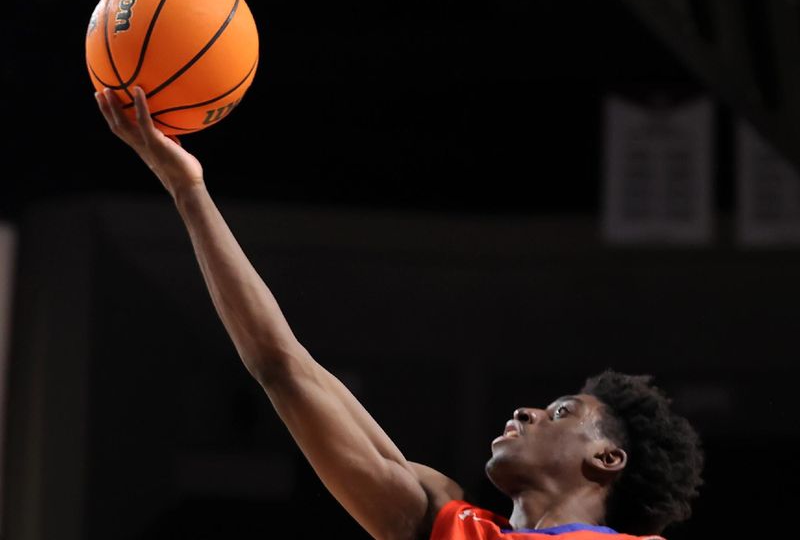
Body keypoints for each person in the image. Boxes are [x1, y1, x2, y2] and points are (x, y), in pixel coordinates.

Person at [94, 87, 705, 540]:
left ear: (607, 459)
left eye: (563, 413)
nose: (527, 411)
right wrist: (188, 190)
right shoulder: (450, 525)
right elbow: (286, 369)